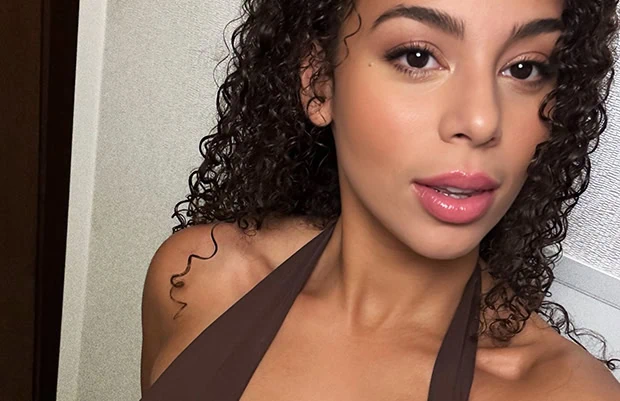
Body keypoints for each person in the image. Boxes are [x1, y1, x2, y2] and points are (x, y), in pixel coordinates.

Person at [140, 0, 620, 399]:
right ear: (319, 81)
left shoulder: (565, 392)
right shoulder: (196, 279)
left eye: (524, 68)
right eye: (418, 57)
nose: (480, 121)